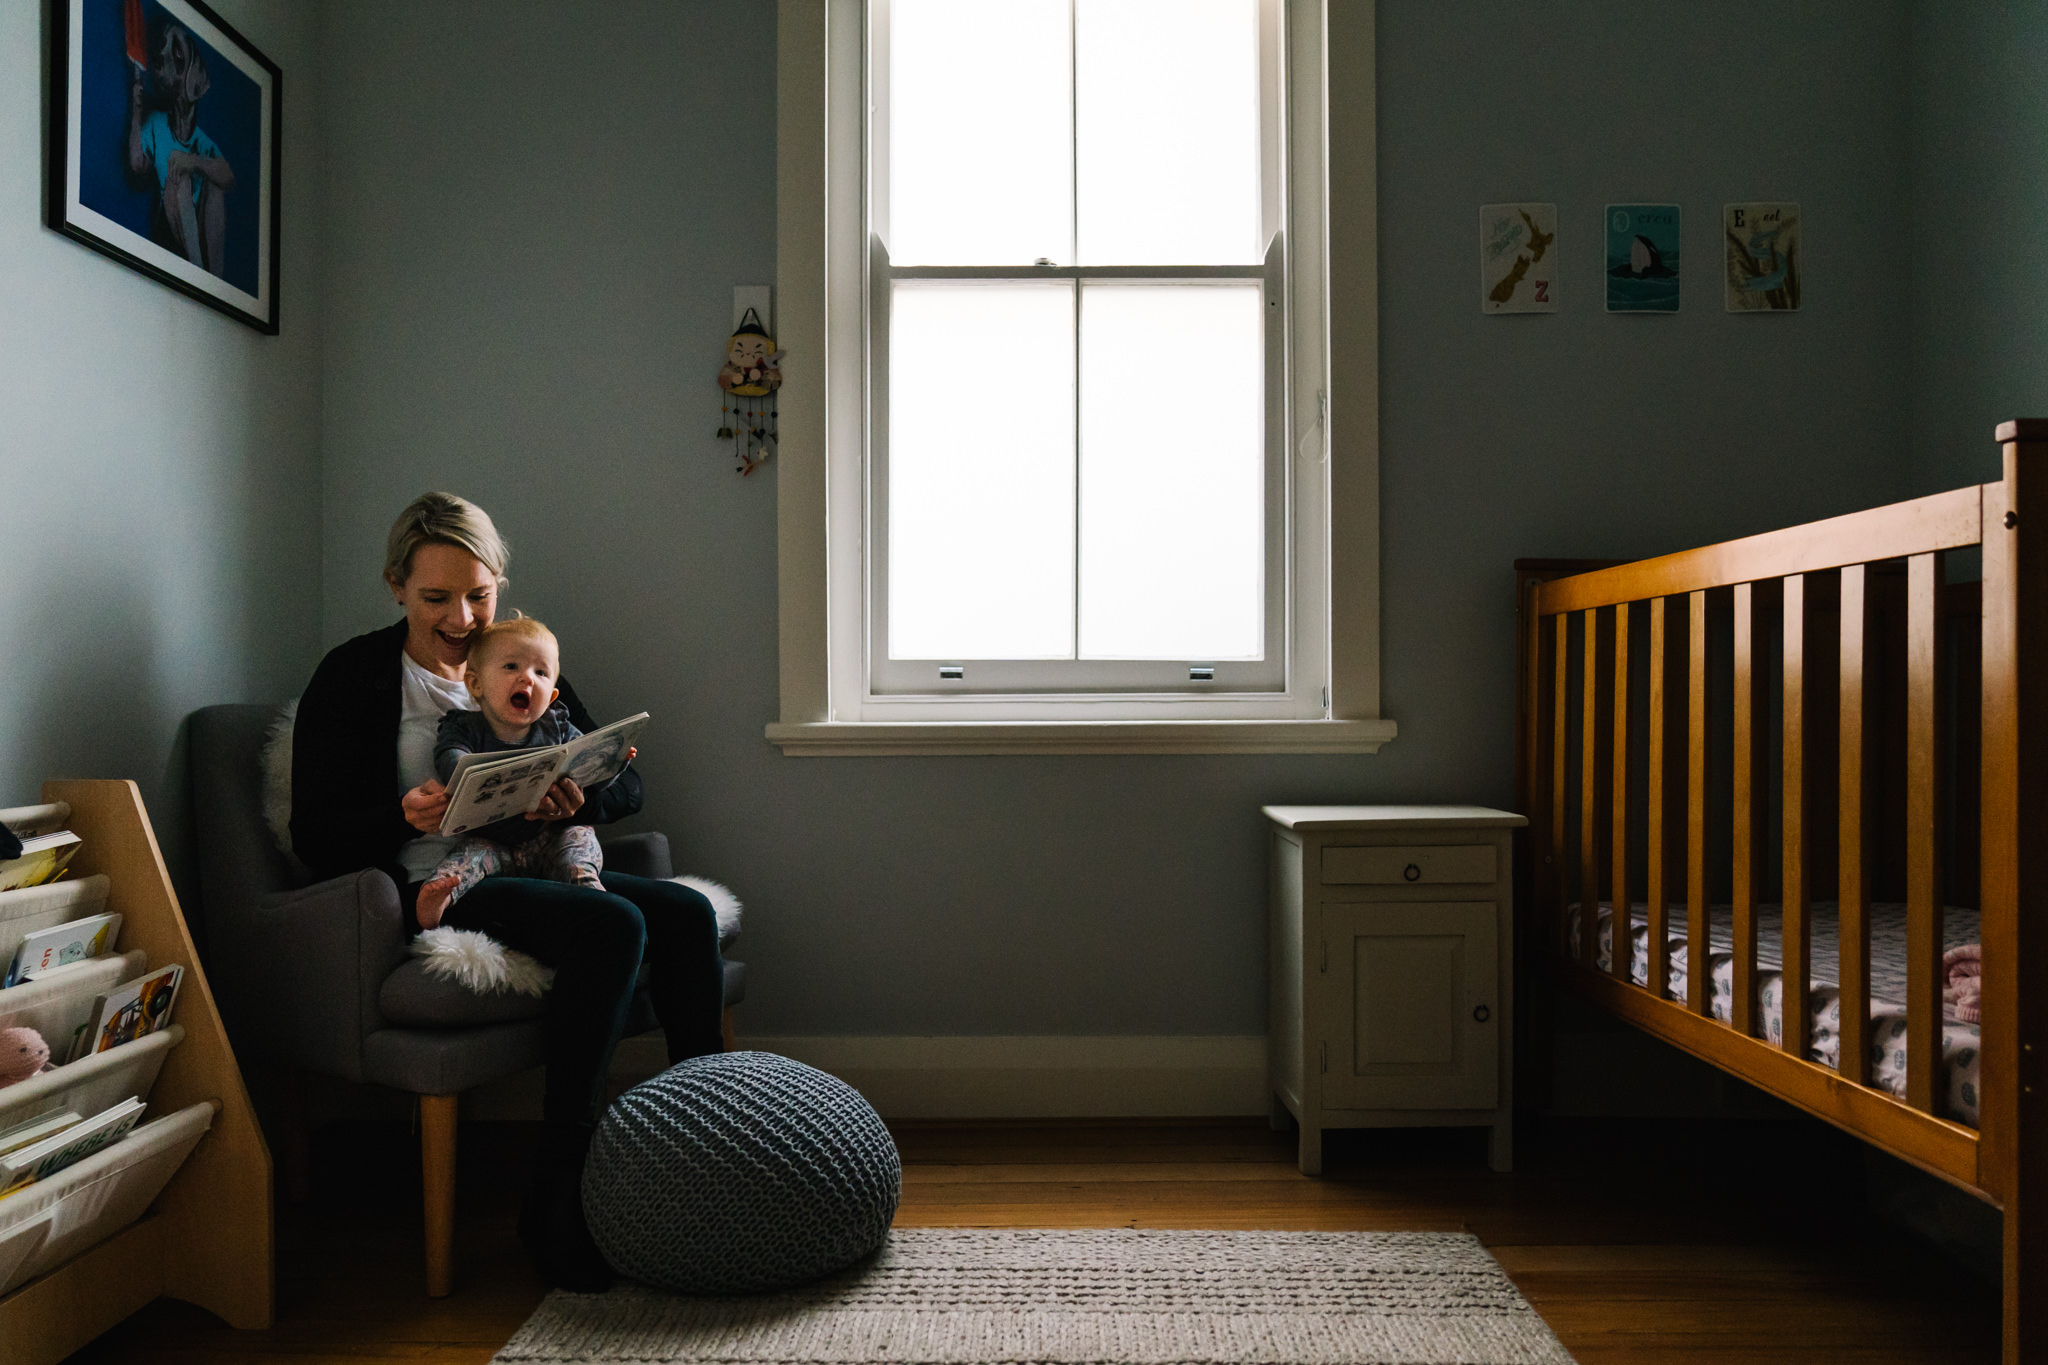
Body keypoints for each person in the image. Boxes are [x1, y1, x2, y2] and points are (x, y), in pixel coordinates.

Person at [290, 491, 724, 1289]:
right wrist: (399, 815)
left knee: (688, 913)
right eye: (436, 598)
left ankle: (708, 1151)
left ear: (499, 583)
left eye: (478, 593)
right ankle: (559, 1195)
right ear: (394, 586)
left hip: (539, 857)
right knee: (612, 926)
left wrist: (576, 797)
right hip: (450, 878)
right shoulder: (353, 675)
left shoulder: (520, 658)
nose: (462, 616)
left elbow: (625, 785)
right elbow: (313, 832)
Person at [417, 616, 618, 928]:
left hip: (551, 838)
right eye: (511, 666)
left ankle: (586, 886)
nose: (528, 679)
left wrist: (612, 761)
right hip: (495, 845)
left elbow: (591, 765)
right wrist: (465, 768)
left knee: (580, 839)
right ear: (476, 684)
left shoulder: (557, 725)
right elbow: (449, 757)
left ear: (551, 695)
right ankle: (439, 897)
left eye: (541, 672)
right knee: (469, 857)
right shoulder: (465, 728)